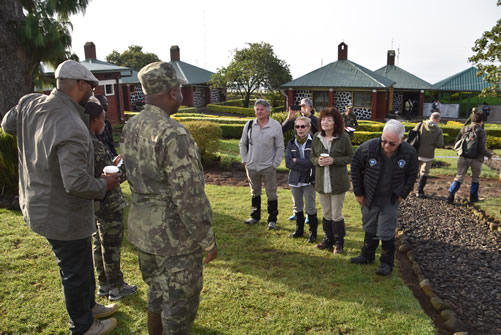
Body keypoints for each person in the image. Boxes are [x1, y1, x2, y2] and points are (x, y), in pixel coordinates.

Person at [1, 60, 121, 335]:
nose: (93, 90)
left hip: (37, 202)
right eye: (90, 86)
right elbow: (77, 183)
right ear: (79, 85)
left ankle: (89, 306)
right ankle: (82, 326)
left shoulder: (31, 103)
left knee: (80, 262)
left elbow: (8, 126)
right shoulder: (73, 126)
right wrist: (105, 184)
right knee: (74, 271)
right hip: (63, 213)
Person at [120, 62, 217, 335]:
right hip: (175, 240)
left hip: (143, 232)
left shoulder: (131, 126)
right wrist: (207, 239)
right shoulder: (173, 133)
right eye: (181, 90)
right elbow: (189, 196)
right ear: (173, 92)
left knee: (157, 294)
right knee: (178, 312)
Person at [84, 97, 137, 301]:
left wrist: (112, 163)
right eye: (103, 119)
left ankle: (104, 285)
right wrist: (126, 164)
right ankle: (116, 287)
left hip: (94, 205)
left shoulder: (84, 141)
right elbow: (112, 180)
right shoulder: (95, 146)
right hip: (108, 205)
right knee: (111, 246)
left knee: (99, 243)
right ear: (94, 120)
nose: (105, 123)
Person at [350, 120, 418, 276]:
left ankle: (386, 263)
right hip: (370, 196)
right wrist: (358, 192)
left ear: (401, 140)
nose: (387, 146)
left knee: (386, 232)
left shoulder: (409, 153)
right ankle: (367, 255)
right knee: (370, 226)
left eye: (392, 144)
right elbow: (355, 167)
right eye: (384, 141)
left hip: (390, 199)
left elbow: (412, 174)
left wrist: (403, 193)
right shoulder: (368, 148)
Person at [311, 107, 353, 254]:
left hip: (338, 183)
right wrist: (318, 161)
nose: (325, 122)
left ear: (336, 122)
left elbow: (350, 157)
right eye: (323, 119)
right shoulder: (316, 137)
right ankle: (328, 241)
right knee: (326, 213)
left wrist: (334, 160)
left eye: (329, 119)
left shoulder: (343, 137)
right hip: (322, 182)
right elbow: (312, 157)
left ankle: (339, 244)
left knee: (336, 214)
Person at [239, 99, 285, 230]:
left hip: (268, 167)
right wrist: (245, 160)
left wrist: (275, 164)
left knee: (271, 193)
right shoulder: (249, 125)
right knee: (254, 192)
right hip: (251, 166)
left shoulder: (275, 126)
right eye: (257, 109)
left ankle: (272, 220)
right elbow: (242, 143)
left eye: (262, 109)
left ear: (268, 111)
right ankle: (255, 216)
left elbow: (280, 146)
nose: (259, 112)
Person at [447, 111, 493, 204]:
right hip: (476, 159)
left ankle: (450, 196)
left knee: (459, 177)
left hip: (463, 157)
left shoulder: (464, 128)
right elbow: (481, 148)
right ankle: (473, 198)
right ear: (482, 121)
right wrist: (489, 155)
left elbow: (457, 141)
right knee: (475, 178)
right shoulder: (482, 131)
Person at [285, 117, 318, 243]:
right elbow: (288, 163)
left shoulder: (315, 142)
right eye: (297, 126)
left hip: (309, 180)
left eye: (303, 126)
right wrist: (305, 163)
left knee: (310, 207)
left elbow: (314, 162)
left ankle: (312, 233)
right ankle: (299, 231)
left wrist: (297, 161)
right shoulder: (291, 143)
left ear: (308, 127)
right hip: (294, 180)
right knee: (297, 206)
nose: (300, 129)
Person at [414, 112, 444, 198]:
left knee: (413, 171)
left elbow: (413, 134)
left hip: (417, 152)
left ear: (430, 117)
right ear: (438, 120)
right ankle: (419, 191)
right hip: (428, 154)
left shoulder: (421, 125)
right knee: (424, 173)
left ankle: (407, 189)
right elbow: (440, 144)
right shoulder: (439, 130)